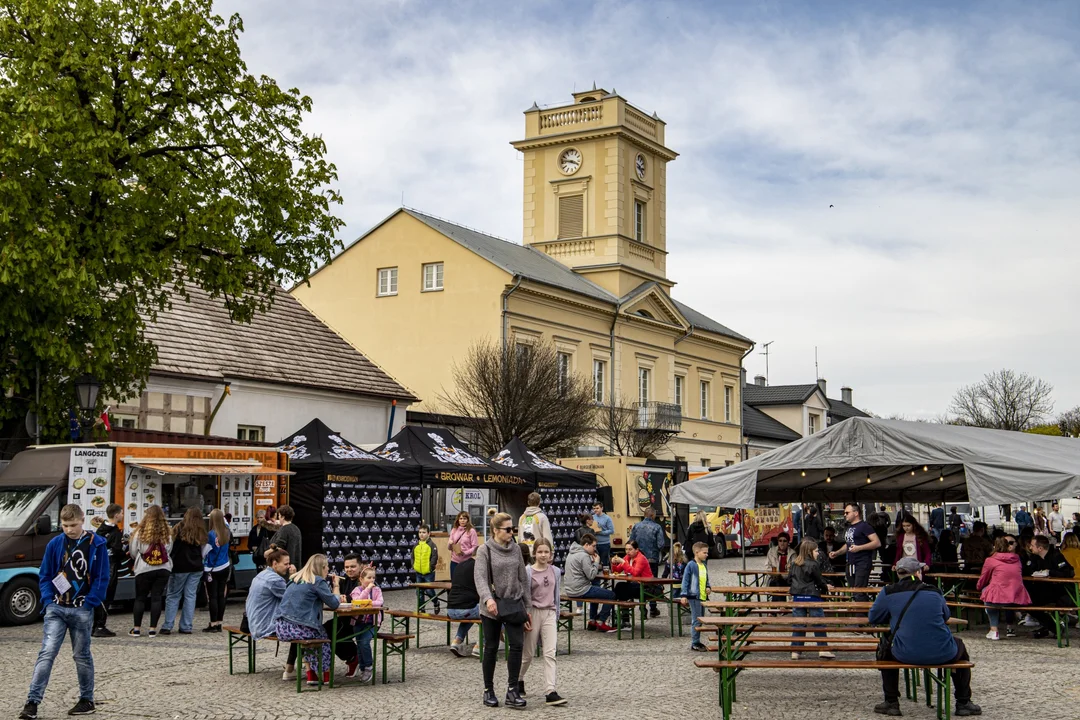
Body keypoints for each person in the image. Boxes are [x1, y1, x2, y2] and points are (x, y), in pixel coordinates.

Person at [20, 504, 109, 720]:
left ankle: (86, 699)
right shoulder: (55, 543)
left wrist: (90, 603)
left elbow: (102, 577)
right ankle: (32, 702)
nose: (69, 529)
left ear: (82, 521)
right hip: (57, 608)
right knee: (47, 653)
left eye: (73, 525)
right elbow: (45, 574)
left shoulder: (96, 544)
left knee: (82, 656)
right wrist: (48, 600)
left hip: (81, 609)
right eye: (65, 525)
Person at [868, 557, 981, 717]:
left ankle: (891, 702)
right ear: (918, 572)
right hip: (943, 652)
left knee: (885, 648)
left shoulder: (888, 592)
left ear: (898, 573)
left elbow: (873, 618)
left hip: (905, 653)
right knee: (960, 646)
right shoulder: (934, 591)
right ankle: (963, 702)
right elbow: (945, 616)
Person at [474, 512, 530, 709]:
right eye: (507, 529)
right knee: (491, 647)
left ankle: (512, 690)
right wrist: (488, 599)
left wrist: (528, 606)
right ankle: (488, 690)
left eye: (513, 528)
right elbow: (480, 578)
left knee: (516, 645)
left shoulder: (515, 549)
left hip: (513, 603)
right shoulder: (484, 550)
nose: (511, 532)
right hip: (493, 606)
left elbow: (523, 578)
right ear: (496, 530)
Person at [275, 554, 341, 686]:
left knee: (310, 636)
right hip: (297, 627)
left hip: (281, 626)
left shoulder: (296, 578)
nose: (328, 569)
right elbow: (334, 603)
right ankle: (326, 676)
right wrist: (336, 586)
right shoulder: (317, 581)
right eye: (327, 566)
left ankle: (312, 674)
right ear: (322, 567)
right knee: (323, 638)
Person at [519, 538, 566, 706]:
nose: (543, 555)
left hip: (550, 612)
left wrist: (557, 613)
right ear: (534, 553)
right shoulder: (527, 572)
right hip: (533, 613)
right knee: (528, 654)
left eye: (546, 552)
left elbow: (556, 594)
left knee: (550, 653)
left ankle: (550, 691)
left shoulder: (555, 571)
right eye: (540, 552)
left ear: (551, 554)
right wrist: (525, 616)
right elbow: (524, 595)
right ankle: (518, 679)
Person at [244, 548, 297, 680]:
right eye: (286, 564)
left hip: (253, 622)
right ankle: (293, 669)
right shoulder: (275, 580)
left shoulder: (260, 575)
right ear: (274, 564)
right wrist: (294, 577)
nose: (288, 566)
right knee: (304, 630)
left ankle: (291, 669)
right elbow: (293, 598)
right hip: (265, 625)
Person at [127, 504, 173, 637]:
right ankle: (152, 629)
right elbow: (168, 551)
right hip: (163, 568)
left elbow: (133, 551)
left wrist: (141, 559)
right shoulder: (167, 532)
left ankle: (136, 629)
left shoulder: (140, 532)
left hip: (144, 568)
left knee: (140, 598)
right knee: (157, 598)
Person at [161, 507, 208, 635]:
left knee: (173, 595)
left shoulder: (178, 528)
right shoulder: (201, 531)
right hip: (196, 567)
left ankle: (168, 625)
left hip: (179, 567)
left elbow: (171, 547)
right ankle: (186, 626)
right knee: (190, 596)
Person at [788, 538, 835, 660]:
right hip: (812, 596)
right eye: (816, 551)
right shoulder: (814, 564)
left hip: (798, 597)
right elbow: (819, 581)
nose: (818, 553)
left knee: (799, 624)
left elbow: (789, 579)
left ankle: (796, 651)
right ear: (809, 552)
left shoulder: (794, 563)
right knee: (818, 623)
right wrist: (826, 586)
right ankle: (822, 649)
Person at [1022, 534, 1075, 639]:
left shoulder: (1056, 556)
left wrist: (1049, 572)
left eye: (1032, 545)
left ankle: (1053, 627)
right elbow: (1027, 571)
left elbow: (1068, 572)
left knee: (1052, 604)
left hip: (1061, 591)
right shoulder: (1034, 558)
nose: (1030, 547)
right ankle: (1054, 627)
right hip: (1043, 590)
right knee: (1027, 603)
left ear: (1040, 548)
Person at [976, 536, 1029, 640]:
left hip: (998, 595)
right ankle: (1010, 626)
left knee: (988, 594)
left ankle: (994, 630)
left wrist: (978, 587)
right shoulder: (1017, 559)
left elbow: (984, 578)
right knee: (1000, 595)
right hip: (1017, 595)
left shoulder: (991, 560)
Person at [562, 533, 616, 632]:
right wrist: (596, 562)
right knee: (611, 595)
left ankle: (592, 621)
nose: (595, 549)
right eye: (593, 546)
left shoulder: (572, 553)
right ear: (586, 545)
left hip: (569, 589)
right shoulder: (584, 555)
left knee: (595, 588)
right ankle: (601, 621)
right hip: (580, 590)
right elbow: (591, 575)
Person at [828, 503, 880, 601]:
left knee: (859, 591)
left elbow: (877, 542)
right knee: (854, 591)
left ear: (856, 513)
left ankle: (862, 614)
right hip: (850, 563)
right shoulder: (849, 527)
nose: (845, 515)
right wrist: (837, 553)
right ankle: (859, 611)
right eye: (844, 513)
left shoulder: (864, 526)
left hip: (862, 562)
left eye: (847, 512)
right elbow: (848, 544)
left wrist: (859, 548)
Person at [325, 553, 363, 678]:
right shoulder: (343, 580)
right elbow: (335, 599)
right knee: (323, 630)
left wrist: (344, 598)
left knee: (335, 634)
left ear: (361, 566)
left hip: (361, 620)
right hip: (344, 617)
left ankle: (353, 657)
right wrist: (336, 587)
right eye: (347, 567)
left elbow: (357, 599)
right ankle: (351, 657)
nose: (349, 570)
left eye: (353, 566)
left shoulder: (365, 580)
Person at [91, 503, 124, 638]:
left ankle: (94, 625)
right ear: (116, 515)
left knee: (99, 595)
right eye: (121, 513)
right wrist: (124, 552)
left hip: (98, 565)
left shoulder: (100, 530)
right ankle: (100, 625)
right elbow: (117, 550)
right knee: (107, 595)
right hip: (110, 566)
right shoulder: (115, 532)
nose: (122, 515)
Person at [628, 507, 667, 617]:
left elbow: (631, 542)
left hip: (638, 559)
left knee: (640, 583)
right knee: (652, 584)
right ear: (653, 515)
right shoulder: (657, 527)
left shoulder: (636, 526)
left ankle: (642, 609)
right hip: (652, 559)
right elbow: (661, 544)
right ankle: (653, 608)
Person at [349, 566, 383, 683]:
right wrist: (367, 590)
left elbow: (380, 603)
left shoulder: (377, 590)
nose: (372, 580)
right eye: (369, 577)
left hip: (372, 623)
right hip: (358, 622)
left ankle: (368, 666)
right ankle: (362, 667)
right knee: (359, 644)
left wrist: (367, 603)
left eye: (373, 577)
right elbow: (357, 602)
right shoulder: (356, 590)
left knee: (364, 642)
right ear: (361, 579)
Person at [611, 540, 655, 627]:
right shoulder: (627, 557)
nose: (628, 552)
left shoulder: (641, 558)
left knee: (621, 588)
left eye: (630, 549)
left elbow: (635, 572)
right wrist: (613, 563)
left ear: (637, 550)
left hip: (646, 586)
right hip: (635, 585)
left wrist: (623, 563)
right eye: (626, 549)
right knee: (620, 587)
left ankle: (619, 615)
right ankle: (623, 618)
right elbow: (616, 570)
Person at [203, 508, 231, 633]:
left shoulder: (211, 534)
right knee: (221, 596)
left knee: (212, 596)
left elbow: (205, 551)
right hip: (225, 565)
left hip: (212, 568)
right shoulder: (227, 531)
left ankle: (213, 623)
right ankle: (219, 622)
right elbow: (225, 522)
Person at [448, 554, 481, 657]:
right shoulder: (478, 567)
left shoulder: (460, 565)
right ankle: (480, 646)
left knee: (471, 613)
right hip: (465, 610)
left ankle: (457, 641)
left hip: (450, 609)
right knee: (487, 612)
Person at [679, 541, 710, 652]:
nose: (707, 555)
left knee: (701, 619)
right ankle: (695, 642)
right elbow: (685, 580)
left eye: (707, 553)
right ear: (697, 552)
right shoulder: (691, 565)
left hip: (702, 596)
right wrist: (684, 594)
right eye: (704, 553)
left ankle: (697, 641)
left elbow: (706, 579)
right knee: (696, 619)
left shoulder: (704, 565)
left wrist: (708, 587)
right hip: (694, 596)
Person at [413, 524, 440, 614]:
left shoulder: (432, 545)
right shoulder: (416, 545)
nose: (421, 534)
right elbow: (412, 556)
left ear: (428, 534)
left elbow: (434, 557)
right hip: (418, 573)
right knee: (419, 592)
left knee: (429, 590)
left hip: (429, 573)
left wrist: (431, 567)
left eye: (424, 532)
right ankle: (421, 607)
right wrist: (413, 565)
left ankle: (436, 602)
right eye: (420, 532)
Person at [591, 501, 614, 568]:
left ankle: (605, 578)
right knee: (594, 562)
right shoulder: (592, 517)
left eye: (597, 508)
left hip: (604, 544)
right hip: (594, 544)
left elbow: (611, 531)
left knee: (604, 562)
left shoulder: (607, 518)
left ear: (602, 508)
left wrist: (600, 532)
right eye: (594, 508)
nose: (595, 510)